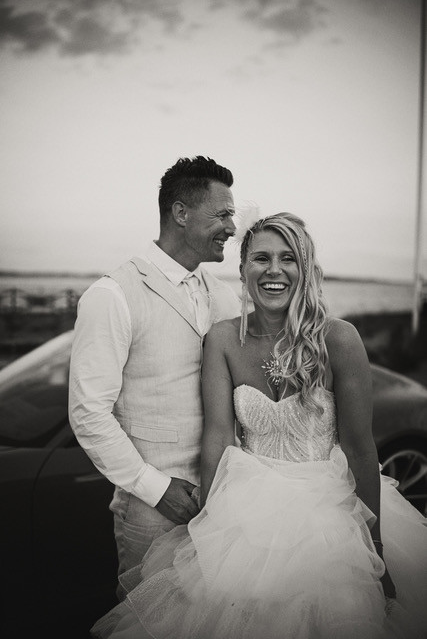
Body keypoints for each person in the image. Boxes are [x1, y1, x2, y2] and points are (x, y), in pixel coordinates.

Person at [91, 212, 427, 639]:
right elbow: (217, 437)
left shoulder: (339, 340)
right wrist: (205, 526)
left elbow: (361, 449)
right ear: (243, 268)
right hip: (246, 517)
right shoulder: (223, 339)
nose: (274, 270)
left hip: (332, 522)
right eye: (261, 258)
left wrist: (375, 552)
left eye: (288, 259)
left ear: (305, 269)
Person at [68, 156, 241, 591]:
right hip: (151, 511)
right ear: (181, 213)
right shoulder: (112, 295)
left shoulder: (225, 297)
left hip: (225, 502)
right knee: (150, 617)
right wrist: (155, 488)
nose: (232, 228)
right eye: (222, 215)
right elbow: (88, 413)